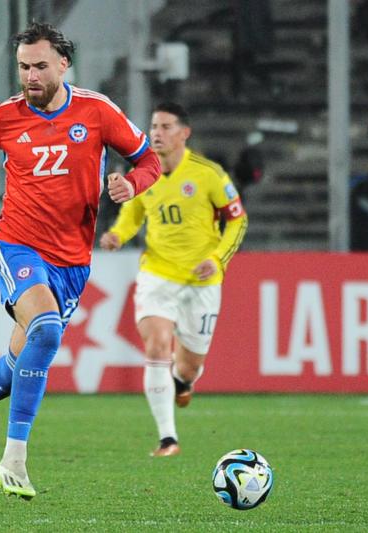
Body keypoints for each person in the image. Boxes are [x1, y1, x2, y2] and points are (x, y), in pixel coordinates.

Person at [0, 22, 160, 499]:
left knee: (27, 353)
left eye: (40, 65)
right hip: (17, 245)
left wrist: (133, 185)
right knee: (45, 328)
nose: (30, 76)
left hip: (72, 261)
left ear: (64, 64)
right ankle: (14, 461)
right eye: (23, 67)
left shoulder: (98, 112)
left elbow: (149, 161)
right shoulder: (3, 118)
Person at [99, 102, 247, 457]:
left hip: (201, 282)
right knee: (156, 345)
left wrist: (217, 259)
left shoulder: (209, 174)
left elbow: (237, 221)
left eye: (166, 127)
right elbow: (133, 213)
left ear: (184, 133)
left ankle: (183, 381)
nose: (156, 134)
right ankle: (168, 438)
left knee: (189, 365)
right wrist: (118, 235)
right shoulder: (144, 173)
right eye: (153, 126)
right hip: (157, 274)